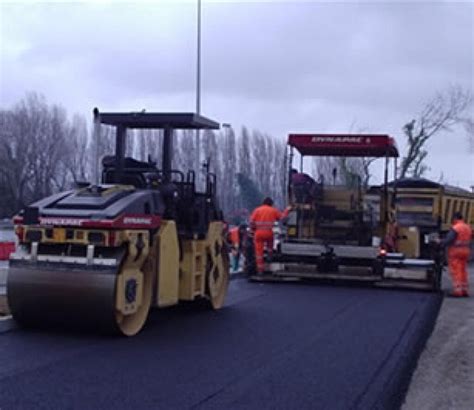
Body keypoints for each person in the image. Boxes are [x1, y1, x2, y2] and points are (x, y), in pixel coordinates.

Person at [250, 197, 291, 275]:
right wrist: (287, 210)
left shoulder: (257, 210)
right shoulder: (273, 210)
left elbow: (252, 222)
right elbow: (282, 218)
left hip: (258, 233)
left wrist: (253, 230)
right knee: (270, 244)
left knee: (259, 252)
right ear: (271, 203)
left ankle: (260, 269)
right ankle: (270, 256)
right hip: (268, 232)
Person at [440, 212, 472, 297]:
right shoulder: (467, 227)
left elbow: (449, 240)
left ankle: (458, 291)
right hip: (465, 251)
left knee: (456, 271)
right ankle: (464, 290)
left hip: (456, 252)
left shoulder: (456, 228)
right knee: (463, 270)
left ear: (455, 218)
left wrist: (440, 242)